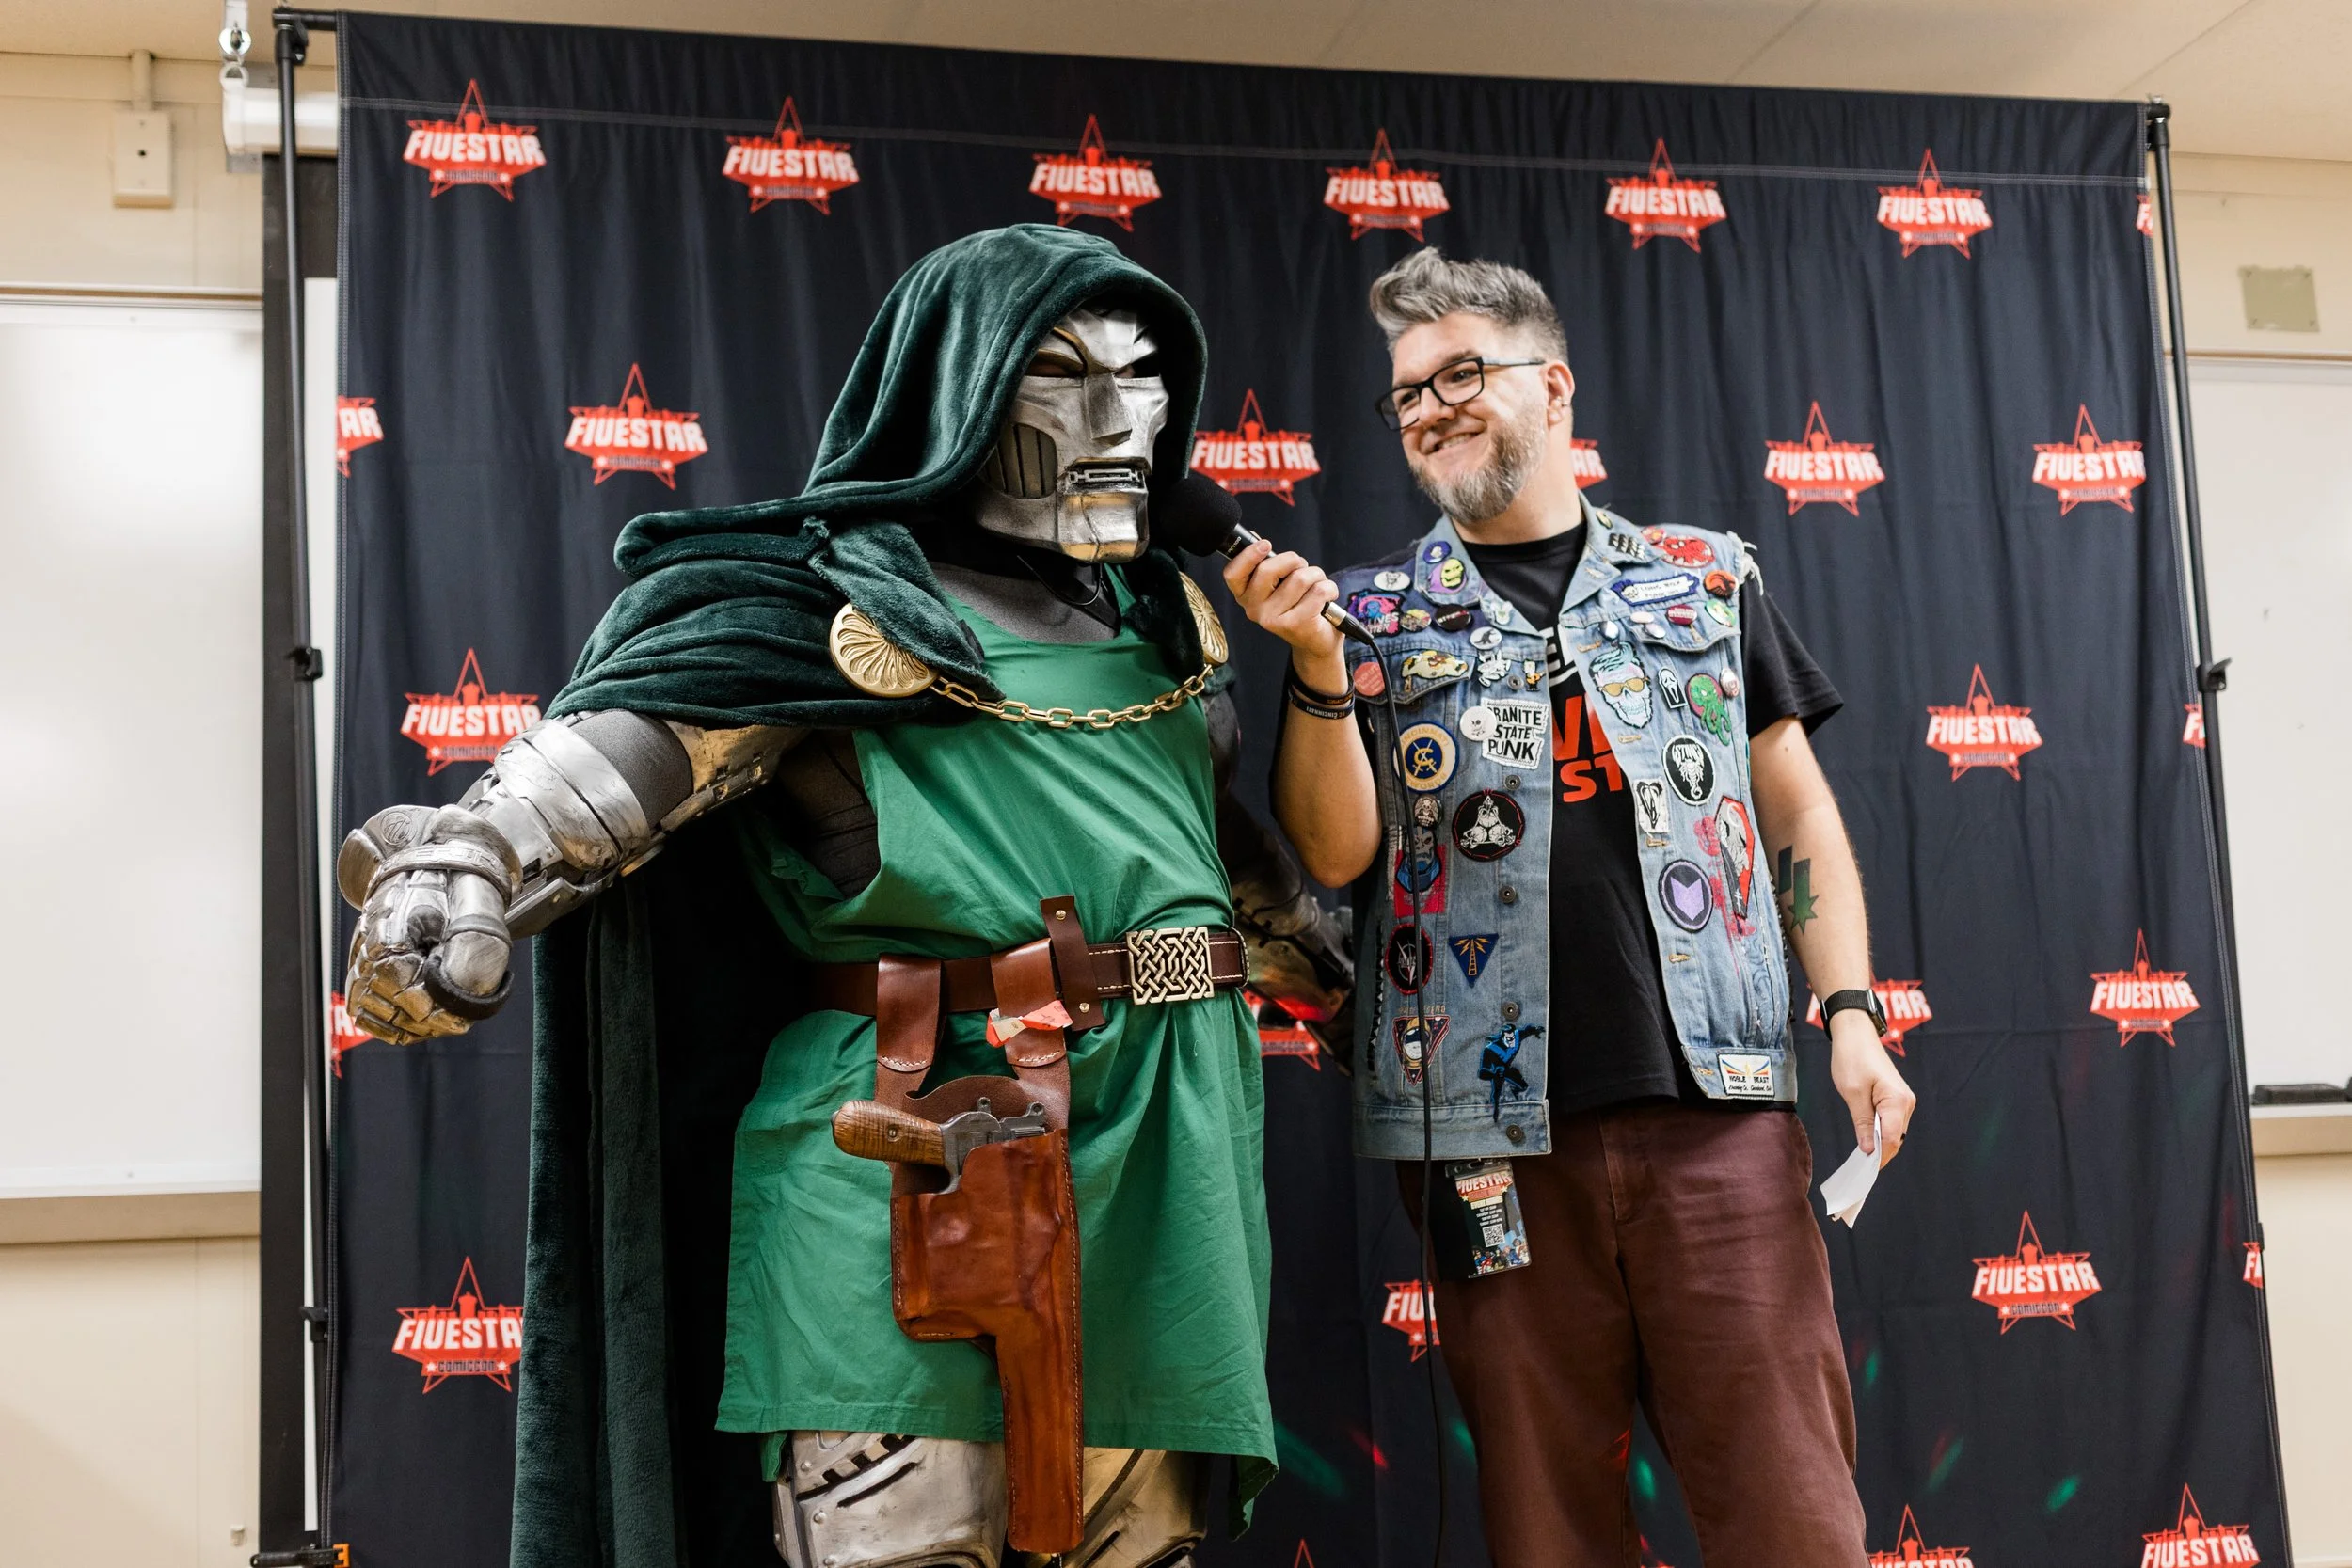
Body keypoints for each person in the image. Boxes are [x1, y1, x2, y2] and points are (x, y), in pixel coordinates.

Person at [337, 225, 1348, 1568]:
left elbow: (1229, 876)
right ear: (953, 388)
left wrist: (1336, 975)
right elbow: (619, 763)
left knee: (1139, 1546)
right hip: (904, 1143)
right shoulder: (813, 609)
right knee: (902, 1538)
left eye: (1143, 373)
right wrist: (464, 861)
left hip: (1168, 1160)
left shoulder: (1170, 633)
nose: (1117, 417)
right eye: (1061, 372)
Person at [1222, 246, 1916, 1568]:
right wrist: (1314, 667)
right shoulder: (1364, 616)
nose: (1429, 410)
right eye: (1407, 393)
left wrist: (1851, 1013)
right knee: (1550, 1529)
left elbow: (1797, 811)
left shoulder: (1707, 578)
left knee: (1794, 1515)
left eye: (1460, 375)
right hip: (1483, 1145)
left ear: (1553, 386)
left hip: (1716, 1117)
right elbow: (1335, 849)